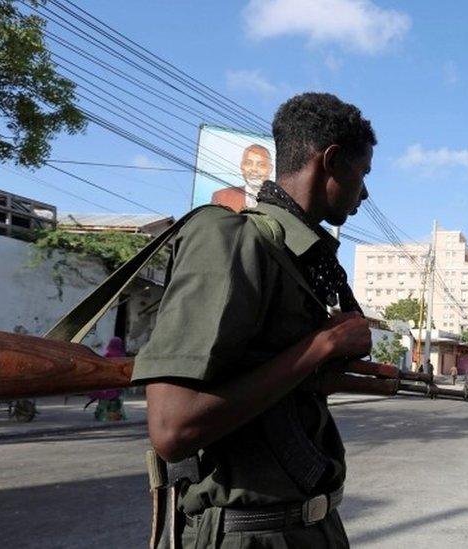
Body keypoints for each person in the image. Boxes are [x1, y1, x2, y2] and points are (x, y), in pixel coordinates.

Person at [132, 92, 376, 548]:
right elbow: (173, 428)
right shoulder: (230, 239)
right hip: (250, 535)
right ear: (333, 160)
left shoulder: (300, 258)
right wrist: (321, 347)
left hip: (309, 526)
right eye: (362, 175)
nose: (364, 193)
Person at [211, 144, 274, 211]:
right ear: (242, 166)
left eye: (261, 165)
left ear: (270, 169)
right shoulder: (221, 197)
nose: (254, 169)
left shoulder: (281, 200)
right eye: (248, 163)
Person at [87, 337, 127, 421]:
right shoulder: (122, 356)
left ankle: (102, 415)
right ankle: (116, 415)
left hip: (106, 386)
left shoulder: (107, 356)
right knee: (115, 402)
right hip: (118, 386)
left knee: (103, 401)